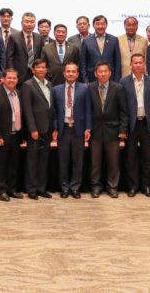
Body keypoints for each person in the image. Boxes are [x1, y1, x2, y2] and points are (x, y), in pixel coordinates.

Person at [88, 62, 128, 198]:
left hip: (113, 130)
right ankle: (96, 186)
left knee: (113, 162)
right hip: (95, 131)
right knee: (95, 162)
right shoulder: (90, 88)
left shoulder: (118, 88)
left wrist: (123, 130)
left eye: (105, 71)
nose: (103, 74)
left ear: (110, 73)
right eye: (100, 71)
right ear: (95, 73)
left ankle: (112, 187)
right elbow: (88, 111)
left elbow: (123, 112)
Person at [51, 62, 91, 199]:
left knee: (77, 161)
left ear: (77, 74)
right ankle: (64, 188)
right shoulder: (56, 90)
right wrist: (55, 128)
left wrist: (88, 128)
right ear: (64, 73)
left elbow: (88, 110)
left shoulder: (84, 88)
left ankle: (75, 188)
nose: (71, 74)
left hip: (78, 130)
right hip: (63, 130)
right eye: (68, 71)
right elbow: (54, 112)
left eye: (73, 71)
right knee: (63, 161)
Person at [121, 54, 150, 197]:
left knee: (147, 157)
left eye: (140, 62)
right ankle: (133, 186)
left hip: (147, 124)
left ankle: (146, 186)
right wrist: (123, 128)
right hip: (132, 124)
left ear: (144, 64)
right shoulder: (124, 82)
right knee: (131, 157)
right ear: (130, 65)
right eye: (135, 63)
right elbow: (122, 108)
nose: (138, 65)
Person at [0, 68, 24, 201]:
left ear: (17, 80)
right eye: (9, 78)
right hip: (2, 136)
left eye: (14, 78)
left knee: (13, 165)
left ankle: (12, 189)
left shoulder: (19, 93)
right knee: (1, 165)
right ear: (3, 79)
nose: (11, 80)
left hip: (16, 135)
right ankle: (2, 190)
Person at [23, 59, 52, 199]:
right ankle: (32, 189)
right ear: (33, 70)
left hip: (47, 128)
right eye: (38, 67)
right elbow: (27, 109)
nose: (41, 70)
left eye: (43, 67)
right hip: (35, 130)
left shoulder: (49, 84)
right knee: (32, 160)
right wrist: (32, 129)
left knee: (44, 161)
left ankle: (41, 188)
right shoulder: (28, 85)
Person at [79, 15, 121, 83]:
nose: (100, 26)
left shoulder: (114, 40)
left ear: (106, 25)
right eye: (97, 24)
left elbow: (117, 62)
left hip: (111, 79)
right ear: (93, 26)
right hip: (91, 80)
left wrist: (116, 81)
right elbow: (83, 63)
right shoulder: (86, 41)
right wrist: (85, 81)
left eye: (102, 24)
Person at [6, 12, 43, 84]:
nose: (29, 24)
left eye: (32, 22)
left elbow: (41, 57)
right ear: (21, 23)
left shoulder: (39, 37)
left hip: (35, 74)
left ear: (35, 24)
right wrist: (12, 73)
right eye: (27, 21)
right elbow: (9, 57)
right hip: (19, 75)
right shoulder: (14, 37)